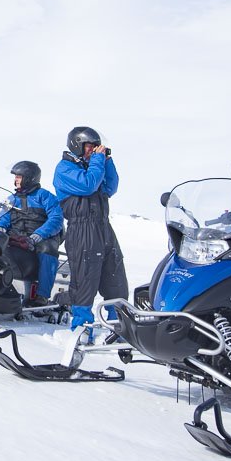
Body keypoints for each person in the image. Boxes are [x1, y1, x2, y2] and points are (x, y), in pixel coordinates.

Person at [53, 126, 128, 333]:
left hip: (103, 228)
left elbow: (110, 187)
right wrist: (97, 161)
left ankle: (119, 325)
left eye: (96, 147)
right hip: (82, 230)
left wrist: (107, 161)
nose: (92, 150)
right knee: (85, 280)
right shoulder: (64, 169)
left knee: (116, 277)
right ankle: (82, 327)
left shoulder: (93, 167)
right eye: (89, 146)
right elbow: (88, 185)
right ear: (76, 145)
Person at [0, 161, 64, 305]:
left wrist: (39, 235)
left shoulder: (45, 196)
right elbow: (4, 217)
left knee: (48, 249)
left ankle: (42, 295)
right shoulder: (12, 199)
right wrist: (0, 228)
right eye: (15, 177)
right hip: (16, 235)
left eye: (19, 177)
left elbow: (56, 219)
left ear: (29, 178)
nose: (16, 180)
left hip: (41, 237)